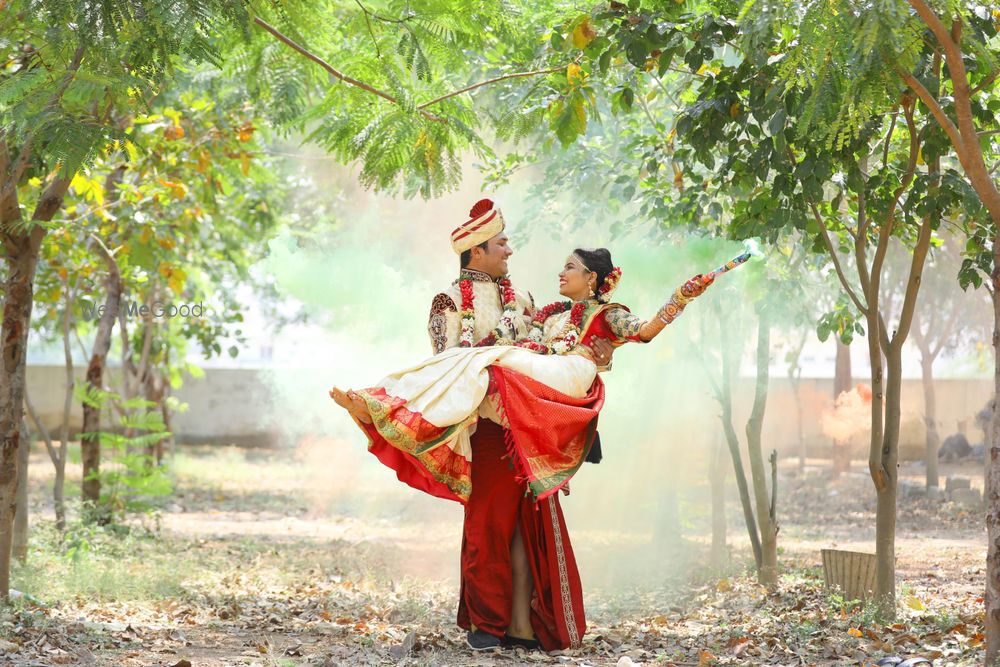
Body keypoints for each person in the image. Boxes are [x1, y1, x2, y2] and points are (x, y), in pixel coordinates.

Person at [330, 199, 712, 651]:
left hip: (529, 423)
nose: (510, 251)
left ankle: (526, 627)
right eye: (503, 243)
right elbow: (444, 366)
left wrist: (598, 356)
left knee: (530, 526)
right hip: (488, 428)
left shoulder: (528, 301)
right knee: (487, 524)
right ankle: (487, 625)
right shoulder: (448, 302)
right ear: (477, 250)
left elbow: (557, 350)